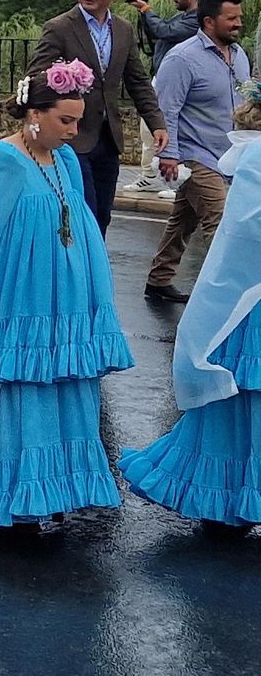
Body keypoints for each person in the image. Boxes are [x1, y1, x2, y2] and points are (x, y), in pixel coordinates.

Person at [0, 60, 133, 531]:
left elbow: (76, 222)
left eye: (79, 121)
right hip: (18, 296)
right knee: (16, 387)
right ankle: (7, 499)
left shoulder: (65, 159)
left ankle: (49, 487)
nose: (75, 131)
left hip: (63, 300)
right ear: (34, 113)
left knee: (59, 386)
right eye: (65, 120)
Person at [119, 89, 261, 531]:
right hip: (250, 301)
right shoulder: (254, 158)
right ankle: (226, 497)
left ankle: (234, 499)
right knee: (241, 399)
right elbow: (247, 234)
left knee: (244, 400)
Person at [28, 0, 167, 236]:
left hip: (108, 137)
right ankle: (76, 272)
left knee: (102, 215)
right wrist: (66, 79)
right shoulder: (60, 27)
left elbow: (137, 80)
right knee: (84, 211)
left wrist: (156, 122)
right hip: (72, 138)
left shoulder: (123, 29)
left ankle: (94, 273)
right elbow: (36, 77)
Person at [143, 0, 249, 302]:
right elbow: (166, 110)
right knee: (222, 221)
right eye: (231, 19)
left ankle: (159, 280)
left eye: (239, 18)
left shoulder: (239, 55)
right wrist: (170, 155)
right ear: (208, 21)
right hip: (193, 157)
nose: (238, 24)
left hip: (228, 155)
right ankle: (230, 294)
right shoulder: (181, 59)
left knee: (183, 219)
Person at [124, 0, 202, 198]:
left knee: (167, 127)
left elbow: (165, 32)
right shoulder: (182, 17)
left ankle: (176, 181)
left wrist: (147, 10)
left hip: (176, 80)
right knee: (148, 129)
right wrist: (145, 16)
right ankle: (150, 176)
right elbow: (159, 33)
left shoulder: (195, 19)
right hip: (162, 75)